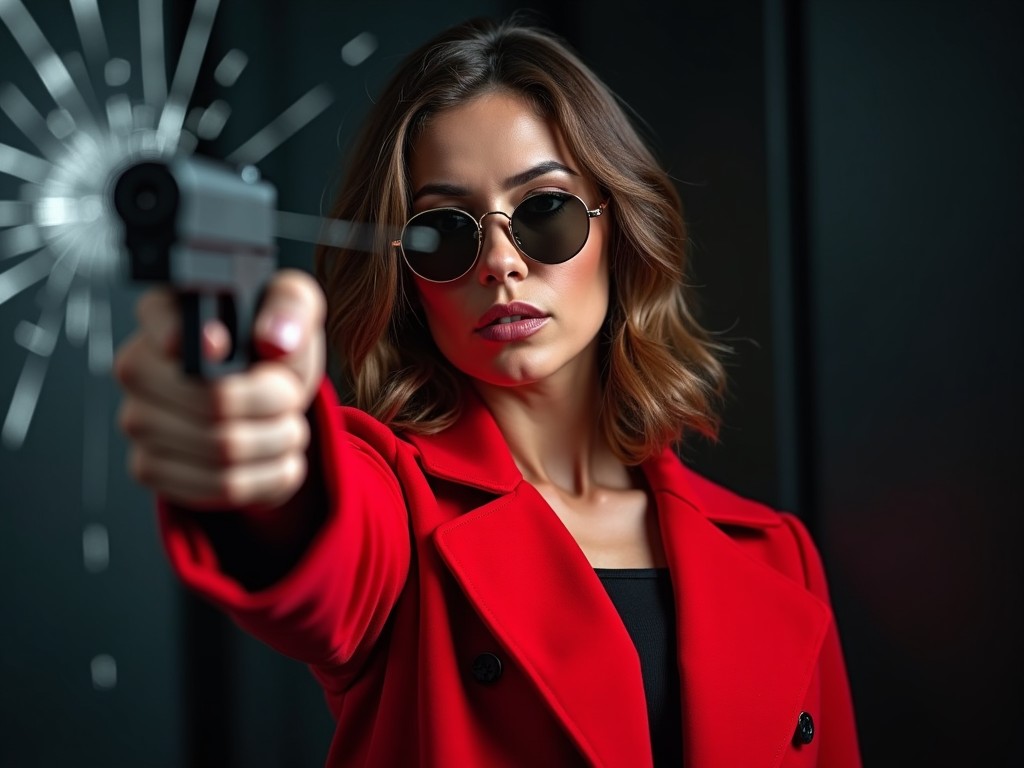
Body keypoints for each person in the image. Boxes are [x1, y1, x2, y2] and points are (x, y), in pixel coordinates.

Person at [114, 17, 861, 768]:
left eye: (545, 210)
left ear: (620, 227)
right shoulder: (397, 511)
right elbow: (317, 533)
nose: (501, 263)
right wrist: (263, 459)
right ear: (407, 276)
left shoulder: (775, 556)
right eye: (446, 231)